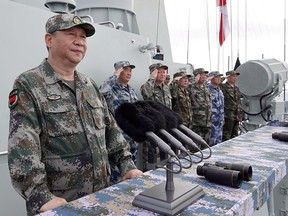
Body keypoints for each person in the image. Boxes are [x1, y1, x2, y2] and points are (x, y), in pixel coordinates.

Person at [7, 14, 142, 216]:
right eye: (71, 34)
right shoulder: (29, 84)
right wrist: (40, 197)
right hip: (61, 205)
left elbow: (111, 130)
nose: (79, 41)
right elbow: (23, 148)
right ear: (49, 40)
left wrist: (127, 166)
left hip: (102, 198)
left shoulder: (89, 85)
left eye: (83, 37)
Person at [99, 61, 139, 184]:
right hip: (118, 140)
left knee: (132, 172)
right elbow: (101, 92)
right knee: (116, 176)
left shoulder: (131, 90)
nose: (129, 72)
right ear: (118, 71)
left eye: (130, 70)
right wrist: (114, 76)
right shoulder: (111, 89)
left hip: (132, 138)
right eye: (125, 69)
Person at [188, 68, 212, 147]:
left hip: (207, 122)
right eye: (201, 75)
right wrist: (195, 80)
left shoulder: (206, 88)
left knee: (206, 146)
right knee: (196, 148)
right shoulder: (191, 87)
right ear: (196, 76)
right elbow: (187, 88)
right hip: (197, 123)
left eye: (205, 75)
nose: (204, 77)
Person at [220, 70, 244, 141]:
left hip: (236, 116)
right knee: (226, 137)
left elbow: (238, 102)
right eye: (233, 76)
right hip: (227, 116)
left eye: (236, 76)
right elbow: (216, 84)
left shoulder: (236, 89)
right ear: (228, 77)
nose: (235, 78)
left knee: (234, 137)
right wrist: (224, 78)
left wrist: (240, 115)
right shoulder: (223, 87)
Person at [206, 71, 225, 146]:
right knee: (211, 141)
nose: (219, 79)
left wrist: (222, 118)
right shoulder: (207, 88)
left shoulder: (219, 90)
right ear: (211, 78)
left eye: (219, 77)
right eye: (216, 77)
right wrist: (207, 78)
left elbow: (221, 105)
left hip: (219, 120)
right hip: (212, 120)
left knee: (219, 142)